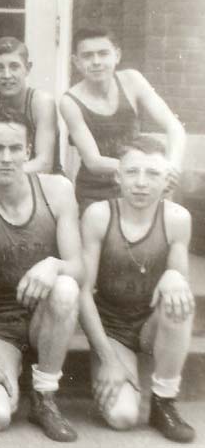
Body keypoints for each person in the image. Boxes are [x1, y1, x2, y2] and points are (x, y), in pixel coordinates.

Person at [0, 109, 83, 442]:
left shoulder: (57, 190)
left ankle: (45, 397)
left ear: (28, 150)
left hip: (44, 316)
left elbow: (79, 267)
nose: (6, 158)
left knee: (64, 287)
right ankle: (9, 369)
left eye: (15, 148)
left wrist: (54, 264)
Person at [79, 135, 195, 443]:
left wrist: (174, 276)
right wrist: (108, 360)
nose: (141, 183)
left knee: (177, 296)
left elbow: (179, 285)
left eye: (153, 173)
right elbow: (82, 292)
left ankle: (163, 401)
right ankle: (124, 374)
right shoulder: (99, 215)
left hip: (149, 326)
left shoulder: (176, 218)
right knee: (122, 417)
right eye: (132, 172)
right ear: (118, 176)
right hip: (113, 328)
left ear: (166, 178)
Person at [60, 25, 186, 214]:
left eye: (103, 54)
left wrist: (172, 166)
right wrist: (145, 167)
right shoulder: (70, 101)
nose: (96, 62)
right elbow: (94, 161)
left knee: (162, 228)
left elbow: (174, 126)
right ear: (76, 62)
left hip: (139, 184)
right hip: (98, 190)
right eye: (87, 56)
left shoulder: (132, 80)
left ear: (117, 55)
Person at [0, 36, 62, 174]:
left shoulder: (41, 103)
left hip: (44, 183)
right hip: (2, 183)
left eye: (14, 67)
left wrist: (2, 170)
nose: (6, 75)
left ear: (27, 68)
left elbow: (44, 164)